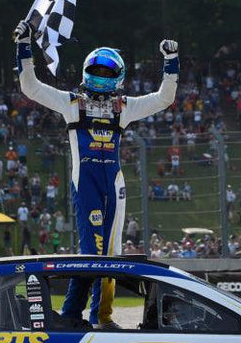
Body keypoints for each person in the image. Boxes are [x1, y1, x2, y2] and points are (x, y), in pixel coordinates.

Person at [13, 19, 178, 326]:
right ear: (87, 73)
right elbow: (30, 86)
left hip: (114, 183)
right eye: (97, 71)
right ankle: (77, 314)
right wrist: (23, 45)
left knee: (112, 253)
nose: (102, 77)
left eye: (108, 72)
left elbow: (164, 99)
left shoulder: (123, 107)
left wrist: (171, 62)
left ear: (119, 76)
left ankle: (98, 317)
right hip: (85, 183)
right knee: (93, 251)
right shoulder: (72, 103)